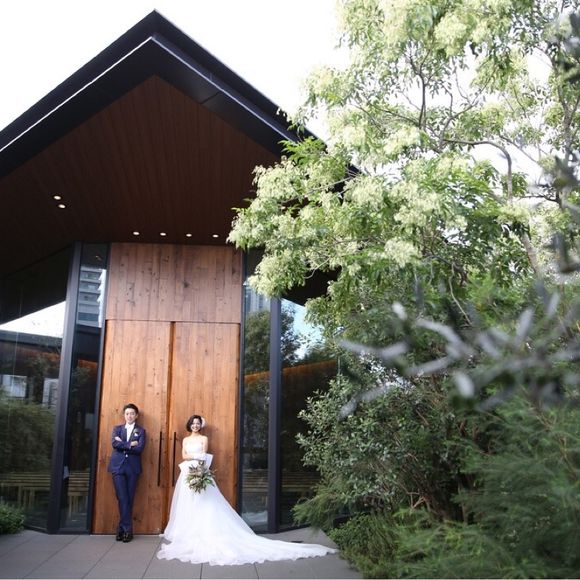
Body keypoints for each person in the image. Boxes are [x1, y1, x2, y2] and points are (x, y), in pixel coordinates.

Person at [157, 414, 336, 565]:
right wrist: (195, 456)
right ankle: (188, 530)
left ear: (200, 425)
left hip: (201, 471)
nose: (195, 425)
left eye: (198, 423)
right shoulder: (186, 439)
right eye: (193, 423)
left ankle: (205, 530)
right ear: (189, 425)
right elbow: (184, 455)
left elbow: (204, 455)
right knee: (188, 502)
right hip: (187, 472)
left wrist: (196, 458)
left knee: (205, 501)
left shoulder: (204, 439)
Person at [107, 403, 146, 543]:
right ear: (124, 415)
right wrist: (130, 444)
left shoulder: (141, 431)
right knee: (122, 498)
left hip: (133, 468)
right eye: (127, 413)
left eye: (132, 413)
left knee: (129, 498)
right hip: (118, 467)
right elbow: (114, 444)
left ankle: (121, 529)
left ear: (136, 415)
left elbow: (139, 449)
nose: (129, 416)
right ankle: (127, 530)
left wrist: (122, 444)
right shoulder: (117, 429)